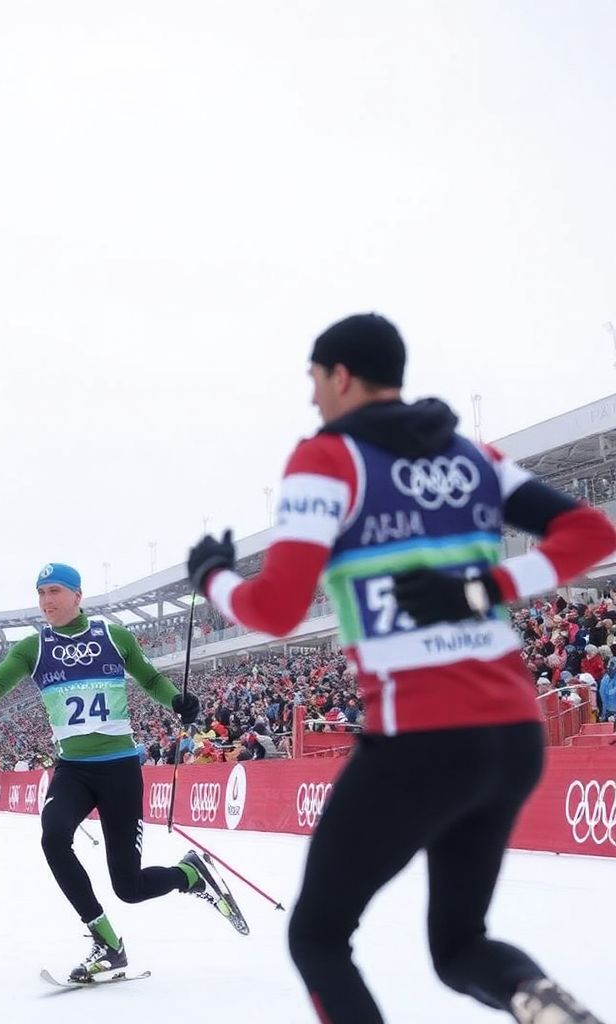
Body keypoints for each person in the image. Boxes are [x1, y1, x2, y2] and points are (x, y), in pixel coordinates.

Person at [187, 313, 614, 1024]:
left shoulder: (326, 459)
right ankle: (541, 1002)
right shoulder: (471, 458)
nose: (313, 399)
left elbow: (281, 608)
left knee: (318, 935)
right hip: (512, 734)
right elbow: (592, 533)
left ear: (341, 376)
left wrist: (213, 579)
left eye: (315, 381)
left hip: (422, 735)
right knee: (459, 947)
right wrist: (486, 588)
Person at [0, 562, 241, 982]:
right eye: (40, 593)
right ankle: (107, 943)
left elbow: (150, 679)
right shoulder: (31, 647)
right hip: (74, 770)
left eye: (55, 591)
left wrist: (177, 701)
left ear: (78, 595)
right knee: (53, 835)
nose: (47, 601)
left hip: (119, 771)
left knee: (129, 888)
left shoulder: (114, 638)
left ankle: (189, 874)